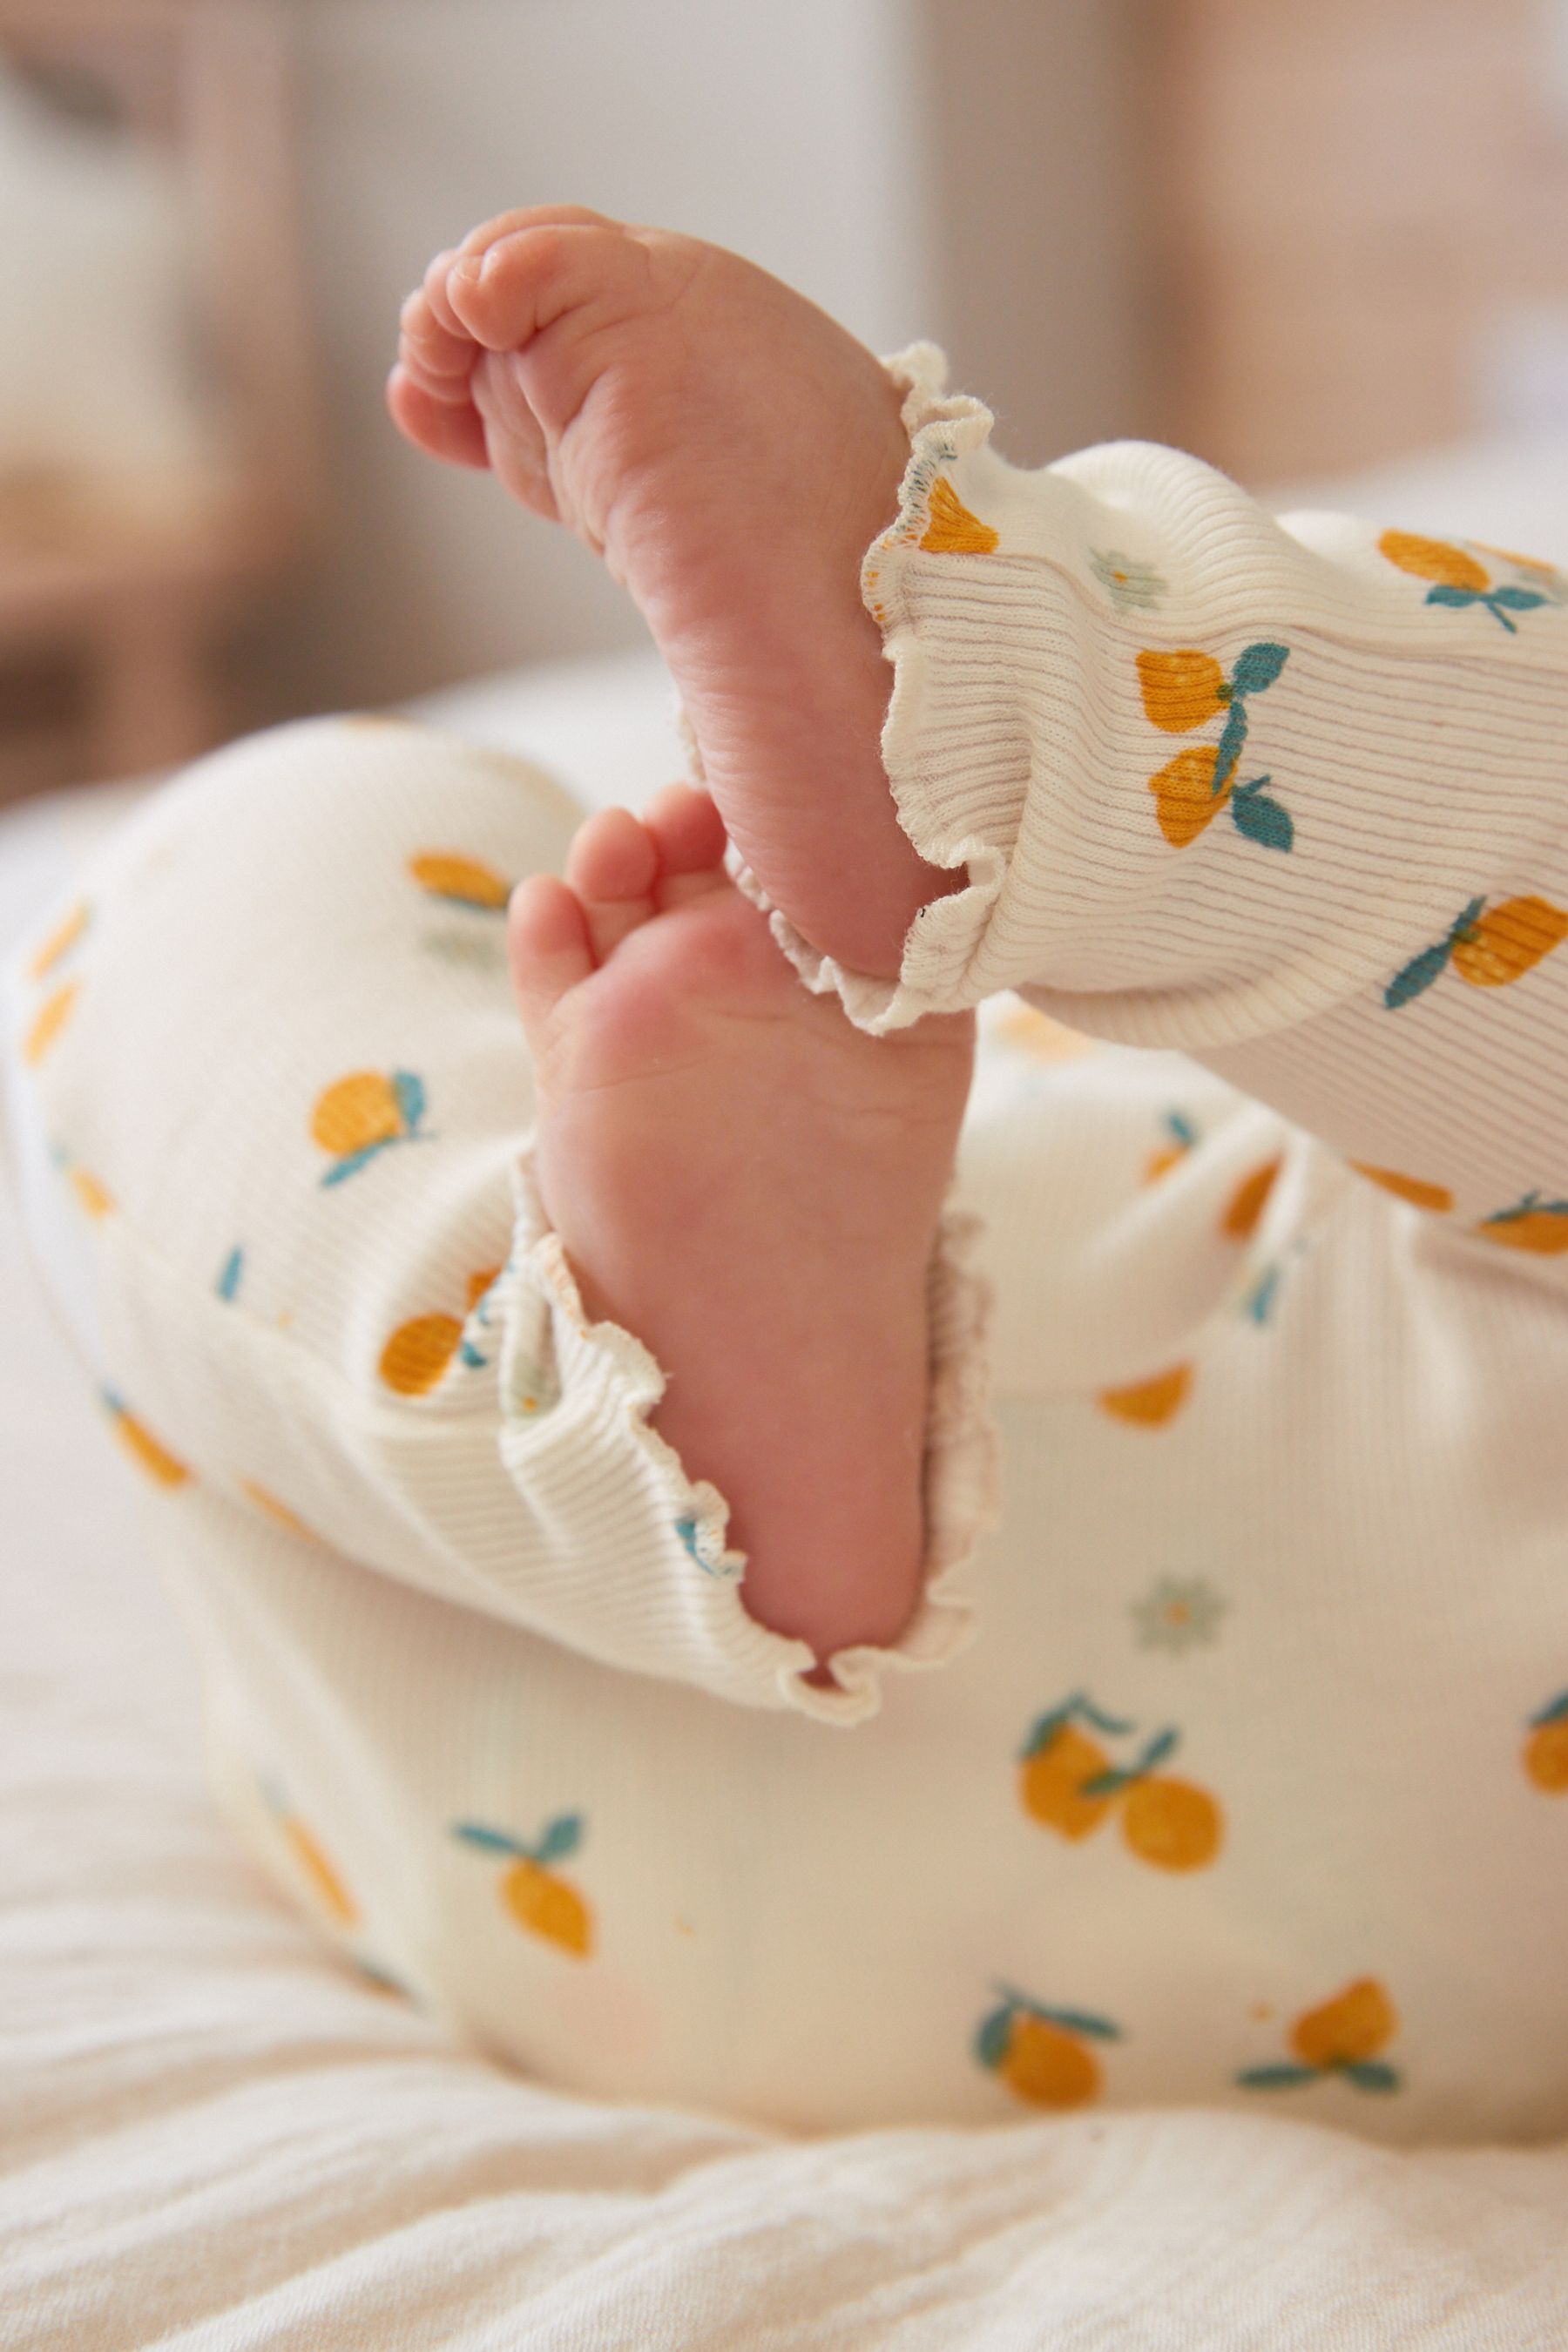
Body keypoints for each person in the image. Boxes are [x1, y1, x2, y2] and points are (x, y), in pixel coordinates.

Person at [7, 207, 1568, 2138]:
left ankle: (980, 732)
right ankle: (978, 797)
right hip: (1401, 1921)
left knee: (245, 849)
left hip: (550, 1843)